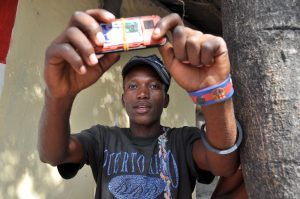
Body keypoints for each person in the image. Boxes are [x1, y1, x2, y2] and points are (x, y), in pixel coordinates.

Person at [38, 8, 242, 199]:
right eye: (133, 87)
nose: (142, 93)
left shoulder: (183, 140)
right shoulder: (102, 138)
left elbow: (224, 166)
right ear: (123, 99)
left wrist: (214, 92)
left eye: (154, 86)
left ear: (166, 100)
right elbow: (53, 155)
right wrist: (58, 97)